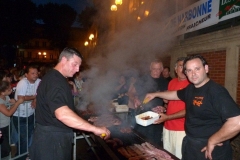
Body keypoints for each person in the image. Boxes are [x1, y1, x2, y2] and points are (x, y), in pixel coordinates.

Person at [144, 54, 240, 160]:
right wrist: (155, 94)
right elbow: (174, 94)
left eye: (197, 69)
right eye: (189, 70)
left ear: (206, 69)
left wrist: (213, 140)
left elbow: (237, 121)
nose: (193, 73)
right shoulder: (191, 88)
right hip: (191, 145)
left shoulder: (216, 91)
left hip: (209, 149)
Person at [29, 47, 110, 160]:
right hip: (52, 143)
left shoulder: (56, 78)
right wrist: (95, 129)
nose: (77, 69)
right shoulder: (55, 81)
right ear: (64, 60)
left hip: (51, 139)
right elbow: (62, 114)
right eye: (74, 64)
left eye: (79, 66)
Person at [153, 57, 190, 159]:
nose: (183, 69)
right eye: (180, 66)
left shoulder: (191, 84)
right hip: (167, 127)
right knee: (166, 157)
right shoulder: (171, 82)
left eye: (185, 66)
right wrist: (164, 108)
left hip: (182, 129)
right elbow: (169, 103)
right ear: (176, 69)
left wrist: (168, 117)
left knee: (179, 157)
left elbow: (191, 110)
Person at [134, 59, 168, 147]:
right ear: (150, 68)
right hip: (142, 115)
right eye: (154, 69)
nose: (156, 71)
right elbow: (133, 93)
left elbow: (168, 102)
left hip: (157, 118)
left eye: (158, 69)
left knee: (154, 144)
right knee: (139, 143)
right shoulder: (142, 79)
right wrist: (135, 98)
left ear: (162, 69)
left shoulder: (165, 82)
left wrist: (164, 108)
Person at [12, 65, 41, 159]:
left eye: (36, 73)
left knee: (28, 136)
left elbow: (41, 93)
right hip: (19, 115)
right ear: (26, 75)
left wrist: (35, 99)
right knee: (24, 138)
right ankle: (21, 156)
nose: (35, 75)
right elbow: (21, 98)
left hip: (31, 114)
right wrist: (34, 97)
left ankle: (24, 154)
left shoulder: (39, 81)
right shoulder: (22, 83)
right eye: (32, 73)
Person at [0, 81, 24, 158]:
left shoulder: (6, 97)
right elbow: (8, 113)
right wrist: (17, 103)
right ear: (3, 92)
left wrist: (13, 103)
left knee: (7, 145)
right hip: (1, 127)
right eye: (9, 89)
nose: (11, 90)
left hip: (7, 124)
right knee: (4, 149)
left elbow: (9, 109)